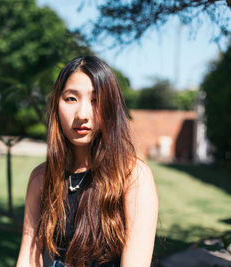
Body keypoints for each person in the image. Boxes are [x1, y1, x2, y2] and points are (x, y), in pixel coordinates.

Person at [16, 55, 158, 267]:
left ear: (111, 107)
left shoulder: (133, 177)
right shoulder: (42, 178)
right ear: (57, 104)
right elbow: (28, 258)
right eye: (71, 99)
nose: (82, 114)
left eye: (96, 100)